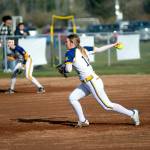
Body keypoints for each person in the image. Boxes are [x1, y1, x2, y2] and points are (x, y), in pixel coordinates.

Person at [58, 34, 140, 127]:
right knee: (72, 98)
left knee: (107, 106)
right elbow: (100, 49)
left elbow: (68, 70)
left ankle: (132, 113)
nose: (65, 43)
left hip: (92, 82)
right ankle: (83, 120)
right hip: (88, 82)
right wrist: (113, 45)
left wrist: (63, 69)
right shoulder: (83, 49)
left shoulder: (70, 53)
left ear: (72, 43)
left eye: (67, 41)